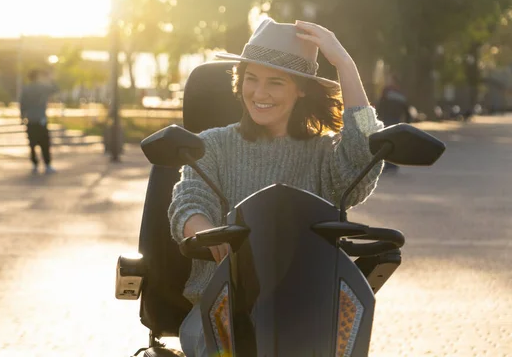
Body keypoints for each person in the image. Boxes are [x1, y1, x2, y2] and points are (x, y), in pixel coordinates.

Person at [168, 18, 385, 357]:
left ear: (300, 88)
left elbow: (362, 161)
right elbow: (188, 203)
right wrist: (208, 233)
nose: (259, 93)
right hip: (223, 309)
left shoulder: (324, 155)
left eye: (275, 83)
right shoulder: (211, 146)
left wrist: (344, 62)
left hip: (307, 310)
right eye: (251, 79)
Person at [20, 68, 59, 174]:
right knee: (44, 143)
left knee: (32, 143)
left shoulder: (26, 89)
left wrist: (22, 117)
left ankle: (34, 163)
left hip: (31, 119)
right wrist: (51, 78)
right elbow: (55, 89)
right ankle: (47, 164)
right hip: (41, 119)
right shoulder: (42, 87)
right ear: (37, 77)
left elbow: (22, 104)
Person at [376, 73, 410, 172]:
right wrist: (408, 122)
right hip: (394, 119)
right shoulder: (401, 93)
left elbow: (380, 105)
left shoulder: (386, 92)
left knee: (387, 141)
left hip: (389, 119)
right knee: (393, 142)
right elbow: (406, 110)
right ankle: (391, 163)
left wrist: (378, 116)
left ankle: (388, 163)